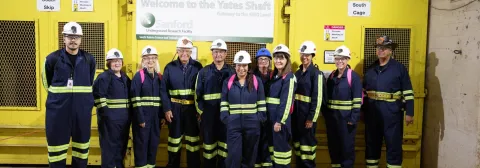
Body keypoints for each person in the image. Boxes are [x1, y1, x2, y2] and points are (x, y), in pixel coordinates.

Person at [41, 21, 96, 168]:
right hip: (58, 112)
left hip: (82, 112)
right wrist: (60, 99)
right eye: (70, 36)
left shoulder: (89, 60)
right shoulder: (52, 59)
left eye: (76, 37)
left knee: (81, 150)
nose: (73, 40)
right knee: (57, 150)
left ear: (81, 39)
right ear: (64, 38)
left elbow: (89, 82)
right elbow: (46, 82)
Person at [363, 35, 414, 168]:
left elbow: (408, 92)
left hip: (392, 113)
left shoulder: (399, 68)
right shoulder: (370, 69)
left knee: (394, 144)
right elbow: (363, 92)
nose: (381, 50)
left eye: (385, 48)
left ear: (391, 50)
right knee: (372, 144)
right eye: (379, 48)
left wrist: (410, 112)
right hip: (372, 113)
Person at [220, 50, 267, 168]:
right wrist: (227, 119)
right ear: (235, 66)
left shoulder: (256, 81)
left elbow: (261, 103)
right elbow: (224, 103)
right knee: (233, 157)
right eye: (239, 65)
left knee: (249, 158)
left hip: (252, 125)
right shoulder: (229, 82)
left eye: (244, 65)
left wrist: (258, 119)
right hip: (233, 125)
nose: (242, 68)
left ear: (249, 66)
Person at [164, 37, 203, 168]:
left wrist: (199, 110)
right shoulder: (169, 67)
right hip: (175, 109)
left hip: (192, 110)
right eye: (181, 50)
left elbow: (201, 90)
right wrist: (167, 109)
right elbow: (163, 90)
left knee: (193, 142)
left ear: (191, 51)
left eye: (187, 50)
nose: (184, 53)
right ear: (177, 51)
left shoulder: (198, 67)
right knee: (174, 142)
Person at [195, 39, 234, 168]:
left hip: (226, 117)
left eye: (221, 52)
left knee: (224, 147)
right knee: (209, 147)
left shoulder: (232, 72)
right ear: (212, 53)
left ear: (226, 53)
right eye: (215, 52)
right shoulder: (203, 72)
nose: (218, 55)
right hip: (208, 117)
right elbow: (197, 95)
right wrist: (202, 113)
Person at [93, 48, 131, 168]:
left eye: (119, 60)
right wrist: (107, 117)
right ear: (108, 63)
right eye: (113, 61)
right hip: (109, 122)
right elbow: (99, 98)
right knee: (109, 150)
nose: (117, 63)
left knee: (121, 148)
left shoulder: (125, 78)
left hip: (123, 121)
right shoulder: (104, 77)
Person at [325, 45, 362, 168]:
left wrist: (353, 119)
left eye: (343, 58)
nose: (340, 61)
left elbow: (358, 101)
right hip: (333, 121)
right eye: (337, 58)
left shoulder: (354, 77)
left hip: (347, 122)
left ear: (348, 60)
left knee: (347, 150)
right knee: (334, 149)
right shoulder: (332, 76)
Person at [130, 45, 167, 168]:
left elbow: (161, 99)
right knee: (141, 147)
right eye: (147, 58)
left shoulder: (159, 77)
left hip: (155, 119)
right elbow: (135, 99)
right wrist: (140, 119)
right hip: (142, 120)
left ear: (156, 60)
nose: (150, 61)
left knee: (153, 146)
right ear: (143, 60)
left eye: (153, 58)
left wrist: (162, 117)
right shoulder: (138, 76)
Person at [292, 41, 327, 168]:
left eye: (307, 55)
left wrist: (311, 118)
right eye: (302, 54)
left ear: (312, 56)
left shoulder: (316, 74)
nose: (304, 57)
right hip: (296, 116)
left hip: (307, 117)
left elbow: (318, 99)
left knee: (307, 147)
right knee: (298, 146)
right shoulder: (297, 73)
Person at [266, 44, 297, 168]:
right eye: (276, 58)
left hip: (280, 122)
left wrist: (280, 121)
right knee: (273, 153)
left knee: (282, 153)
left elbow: (287, 101)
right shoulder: (274, 75)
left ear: (287, 60)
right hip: (270, 120)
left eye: (282, 58)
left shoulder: (289, 77)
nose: (278, 61)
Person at [253, 48, 274, 168]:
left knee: (268, 142)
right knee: (256, 141)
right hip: (255, 115)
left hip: (270, 115)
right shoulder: (252, 76)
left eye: (266, 59)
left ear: (270, 61)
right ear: (257, 61)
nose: (263, 62)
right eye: (260, 59)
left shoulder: (274, 76)